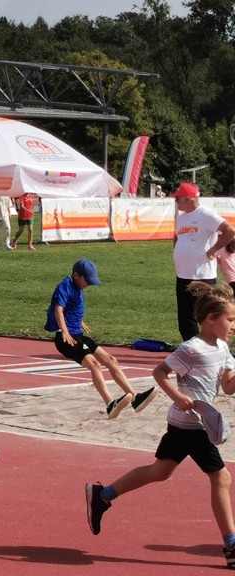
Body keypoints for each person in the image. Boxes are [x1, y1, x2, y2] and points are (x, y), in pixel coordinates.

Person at [85, 282, 235, 570]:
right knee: (222, 478)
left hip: (187, 424)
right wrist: (178, 395)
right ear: (210, 319)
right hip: (191, 424)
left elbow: (228, 387)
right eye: (229, 319)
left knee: (160, 471)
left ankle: (102, 496)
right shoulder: (192, 348)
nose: (233, 324)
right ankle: (231, 545)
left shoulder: (222, 348)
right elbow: (160, 371)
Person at [45, 259, 157, 418]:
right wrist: (64, 330)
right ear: (76, 275)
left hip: (78, 335)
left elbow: (70, 308)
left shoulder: (77, 287)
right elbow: (58, 308)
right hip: (67, 339)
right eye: (87, 281)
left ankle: (135, 398)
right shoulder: (65, 285)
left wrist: (79, 322)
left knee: (111, 360)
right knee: (94, 364)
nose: (89, 284)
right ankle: (110, 404)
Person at [172, 182, 235, 341]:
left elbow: (229, 231)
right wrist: (179, 250)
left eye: (177, 198)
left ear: (187, 198)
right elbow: (177, 237)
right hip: (183, 275)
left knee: (210, 317)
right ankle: (193, 350)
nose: (175, 201)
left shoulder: (206, 214)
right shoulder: (181, 218)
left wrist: (214, 249)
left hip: (203, 275)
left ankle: (215, 349)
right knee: (186, 319)